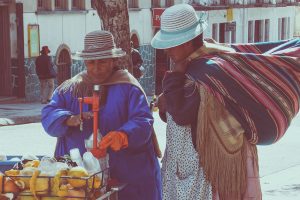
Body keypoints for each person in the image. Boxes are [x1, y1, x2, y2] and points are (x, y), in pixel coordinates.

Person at [151, 3, 300, 200]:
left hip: (210, 171)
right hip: (200, 166)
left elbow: (180, 113)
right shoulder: (207, 62)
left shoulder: (205, 73)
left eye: (170, 44)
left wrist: (174, 77)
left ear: (186, 42)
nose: (166, 50)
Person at [41, 30, 162, 200]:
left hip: (127, 175)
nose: (96, 68)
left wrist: (123, 135)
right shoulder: (70, 88)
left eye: (103, 62)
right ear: (85, 62)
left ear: (114, 61)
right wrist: (68, 119)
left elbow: (143, 120)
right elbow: (48, 115)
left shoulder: (129, 87)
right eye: (91, 63)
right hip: (79, 180)